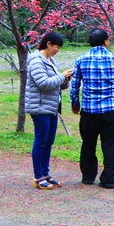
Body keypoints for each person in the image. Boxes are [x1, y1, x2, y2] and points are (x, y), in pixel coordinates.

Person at [70, 28, 114, 189]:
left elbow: (75, 85)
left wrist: (75, 103)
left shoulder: (81, 60)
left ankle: (88, 176)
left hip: (89, 111)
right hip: (110, 110)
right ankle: (109, 179)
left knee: (88, 143)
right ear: (105, 41)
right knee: (111, 145)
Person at [25, 31, 73, 189]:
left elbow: (56, 83)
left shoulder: (50, 60)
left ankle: (45, 173)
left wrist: (65, 80)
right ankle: (38, 177)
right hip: (39, 107)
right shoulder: (36, 60)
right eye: (57, 47)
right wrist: (61, 76)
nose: (58, 50)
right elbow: (43, 83)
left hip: (51, 107)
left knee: (48, 142)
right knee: (41, 141)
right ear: (49, 44)